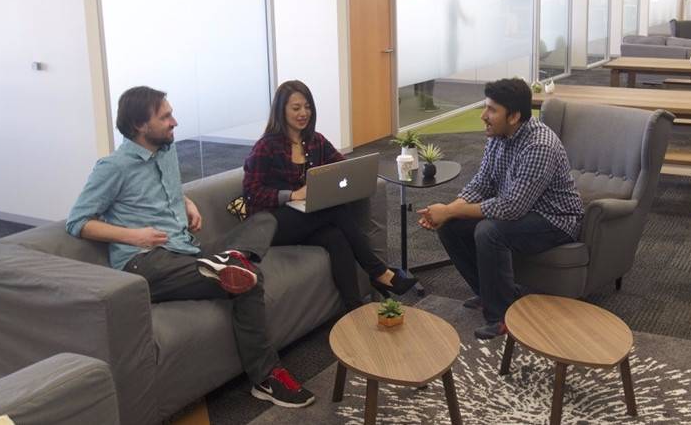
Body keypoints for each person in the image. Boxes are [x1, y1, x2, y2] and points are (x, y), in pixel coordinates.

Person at [66, 86, 316, 408]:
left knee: (265, 219)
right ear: (140, 125)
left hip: (187, 250)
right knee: (249, 281)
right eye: (165, 117)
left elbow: (164, 189)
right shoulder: (113, 167)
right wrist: (133, 236)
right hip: (145, 262)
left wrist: (186, 202)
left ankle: (230, 260)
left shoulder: (166, 150)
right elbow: (78, 221)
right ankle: (266, 378)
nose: (174, 122)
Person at [416, 78, 584, 340]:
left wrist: (448, 211)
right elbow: (482, 182)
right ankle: (488, 293)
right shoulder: (498, 135)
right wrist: (447, 211)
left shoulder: (539, 145)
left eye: (492, 110)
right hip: (522, 210)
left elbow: (511, 208)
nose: (483, 115)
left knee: (489, 232)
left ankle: (502, 316)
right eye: (486, 107)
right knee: (450, 226)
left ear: (514, 116)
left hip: (555, 219)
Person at [243, 80, 416, 310]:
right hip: (271, 224)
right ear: (281, 110)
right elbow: (251, 192)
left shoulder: (316, 141)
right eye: (296, 108)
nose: (303, 113)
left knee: (336, 237)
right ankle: (379, 272)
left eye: (307, 107)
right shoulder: (266, 147)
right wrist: (292, 195)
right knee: (334, 210)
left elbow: (344, 169)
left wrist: (347, 181)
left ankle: (354, 309)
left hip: (305, 219)